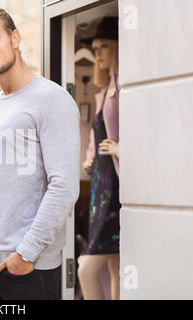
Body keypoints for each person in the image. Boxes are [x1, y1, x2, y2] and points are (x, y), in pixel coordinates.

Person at [0, 6, 80, 300]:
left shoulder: (52, 100)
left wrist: (26, 254)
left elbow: (64, 187)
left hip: (28, 272)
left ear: (14, 38)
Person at [77, 16, 121, 300]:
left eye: (104, 46)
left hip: (116, 189)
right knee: (116, 266)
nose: (98, 54)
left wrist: (121, 148)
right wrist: (89, 159)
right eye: (95, 48)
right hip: (100, 187)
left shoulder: (127, 89)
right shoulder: (103, 92)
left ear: (118, 47)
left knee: (85, 269)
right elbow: (96, 138)